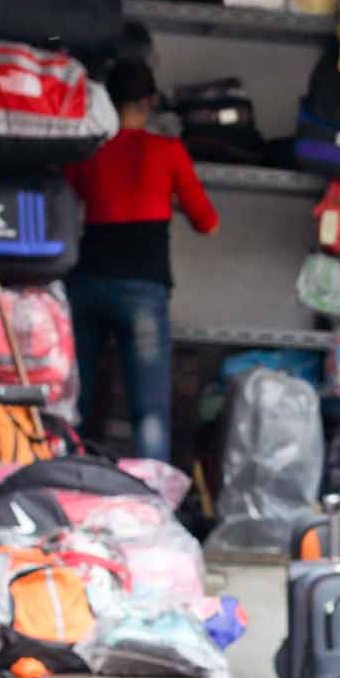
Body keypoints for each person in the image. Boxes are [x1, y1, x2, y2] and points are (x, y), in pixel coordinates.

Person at [65, 60, 219, 462]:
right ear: (150, 102)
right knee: (149, 413)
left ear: (109, 100)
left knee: (73, 407)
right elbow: (208, 222)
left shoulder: (90, 150)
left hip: (87, 281)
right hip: (142, 289)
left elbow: (68, 196)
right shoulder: (167, 151)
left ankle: (66, 483)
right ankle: (154, 506)